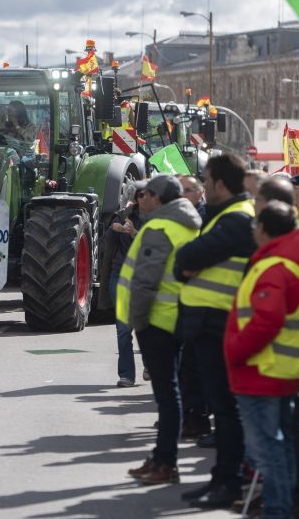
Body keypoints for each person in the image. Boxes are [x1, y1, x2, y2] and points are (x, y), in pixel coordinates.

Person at [225, 201, 299, 519]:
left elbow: (267, 319)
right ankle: (280, 508)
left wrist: (235, 351)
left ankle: (278, 510)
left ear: (264, 230)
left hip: (263, 367)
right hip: (279, 368)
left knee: (269, 451)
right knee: (278, 447)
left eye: (256, 225)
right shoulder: (292, 261)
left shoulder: (276, 266)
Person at [175, 153, 256, 509]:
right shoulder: (226, 216)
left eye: (206, 182)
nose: (204, 188)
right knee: (223, 410)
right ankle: (221, 479)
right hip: (212, 324)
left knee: (226, 411)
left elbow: (186, 258)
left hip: (222, 323)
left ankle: (230, 482)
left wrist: (188, 265)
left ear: (221, 184)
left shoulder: (237, 220)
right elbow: (186, 263)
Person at [120, 175, 201, 486]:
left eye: (145, 194)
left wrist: (137, 321)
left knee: (167, 397)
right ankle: (160, 458)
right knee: (171, 394)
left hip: (156, 321)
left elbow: (145, 281)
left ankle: (166, 462)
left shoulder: (158, 228)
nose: (140, 199)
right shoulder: (187, 224)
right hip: (175, 318)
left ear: (158, 198)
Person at [177, 174, 211, 438]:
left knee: (195, 369)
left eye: (187, 190)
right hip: (186, 305)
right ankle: (189, 416)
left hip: (203, 307)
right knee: (187, 369)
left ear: (201, 193)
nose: (182, 194)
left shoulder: (204, 220)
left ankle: (196, 418)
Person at [110, 185, 145, 387]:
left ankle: (150, 365)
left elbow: (154, 243)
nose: (142, 199)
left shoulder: (158, 219)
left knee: (145, 326)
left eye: (147, 195)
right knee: (123, 328)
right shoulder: (124, 214)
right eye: (139, 195)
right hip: (120, 274)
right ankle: (126, 375)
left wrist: (134, 233)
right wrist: (115, 228)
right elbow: (111, 231)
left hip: (145, 277)